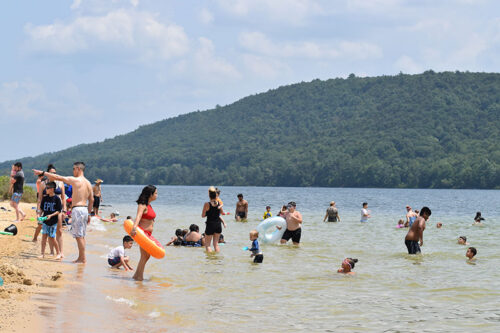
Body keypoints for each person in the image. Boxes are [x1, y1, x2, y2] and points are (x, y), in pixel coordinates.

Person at [33, 161, 94, 264]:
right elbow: (91, 199)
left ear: (79, 169)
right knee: (81, 235)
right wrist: (88, 213)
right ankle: (81, 257)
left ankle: (82, 259)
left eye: (74, 169)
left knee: (78, 236)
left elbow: (59, 178)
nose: (73, 171)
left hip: (78, 209)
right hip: (84, 209)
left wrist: (42, 173)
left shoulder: (76, 180)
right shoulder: (88, 183)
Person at [130, 185, 160, 281]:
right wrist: (134, 228)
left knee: (146, 256)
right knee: (145, 256)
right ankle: (139, 277)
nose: (157, 195)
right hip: (142, 234)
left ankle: (137, 275)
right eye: (155, 193)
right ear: (150, 194)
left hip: (148, 234)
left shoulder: (149, 205)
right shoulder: (142, 205)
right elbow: (138, 217)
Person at [36, 164, 66, 257]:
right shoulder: (43, 183)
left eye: (55, 173)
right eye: (52, 173)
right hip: (47, 209)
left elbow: (63, 198)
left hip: (58, 209)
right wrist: (38, 212)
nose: (54, 174)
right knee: (47, 231)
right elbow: (40, 198)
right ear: (47, 174)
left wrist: (64, 209)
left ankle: (60, 252)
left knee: (59, 231)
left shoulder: (60, 183)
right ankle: (51, 251)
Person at [38, 182, 62, 260]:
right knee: (44, 237)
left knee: (52, 238)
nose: (46, 189)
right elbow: (41, 208)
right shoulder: (45, 198)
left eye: (47, 188)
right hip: (45, 221)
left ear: (52, 189)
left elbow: (58, 211)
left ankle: (58, 253)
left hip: (53, 221)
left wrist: (51, 216)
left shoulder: (57, 199)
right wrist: (39, 215)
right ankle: (42, 254)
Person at [202, 187, 227, 252]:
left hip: (210, 224)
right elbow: (222, 212)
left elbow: (203, 215)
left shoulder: (207, 204)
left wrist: (209, 213)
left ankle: (210, 260)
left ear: (209, 195)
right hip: (218, 225)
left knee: (208, 245)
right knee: (216, 244)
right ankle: (216, 258)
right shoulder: (218, 203)